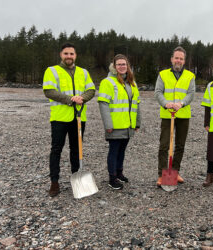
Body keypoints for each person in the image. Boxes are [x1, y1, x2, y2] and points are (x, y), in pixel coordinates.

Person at [43, 42, 95, 197]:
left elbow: (91, 89)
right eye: (66, 53)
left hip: (78, 117)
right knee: (56, 150)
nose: (69, 56)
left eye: (71, 54)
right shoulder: (52, 71)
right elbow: (49, 91)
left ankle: (76, 179)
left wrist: (82, 98)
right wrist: (70, 99)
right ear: (61, 55)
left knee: (76, 150)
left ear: (75, 55)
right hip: (59, 118)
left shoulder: (83, 72)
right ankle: (54, 182)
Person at [98, 54, 141, 190]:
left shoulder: (131, 83)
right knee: (114, 151)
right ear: (114, 67)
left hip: (128, 125)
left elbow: (136, 104)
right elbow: (103, 104)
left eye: (124, 64)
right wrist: (108, 125)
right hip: (115, 125)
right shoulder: (108, 82)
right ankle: (112, 178)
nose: (122, 67)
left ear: (127, 66)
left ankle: (119, 173)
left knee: (122, 151)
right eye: (119, 64)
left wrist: (137, 123)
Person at [154, 46, 196, 187]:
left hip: (183, 114)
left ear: (184, 61)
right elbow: (158, 92)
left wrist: (181, 103)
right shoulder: (163, 74)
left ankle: (175, 172)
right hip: (167, 115)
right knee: (164, 145)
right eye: (176, 58)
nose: (178, 60)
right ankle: (162, 175)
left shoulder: (190, 76)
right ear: (172, 59)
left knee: (180, 145)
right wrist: (166, 104)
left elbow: (191, 94)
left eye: (181, 58)